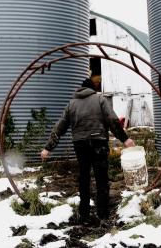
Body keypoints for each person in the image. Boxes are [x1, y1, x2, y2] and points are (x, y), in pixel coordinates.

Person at [41, 75, 135, 224]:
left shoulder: (72, 104)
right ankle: (102, 214)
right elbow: (112, 120)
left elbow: (60, 126)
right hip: (99, 143)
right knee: (101, 178)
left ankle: (84, 212)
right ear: (93, 88)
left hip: (80, 145)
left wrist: (48, 147)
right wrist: (125, 139)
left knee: (83, 177)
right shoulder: (100, 99)